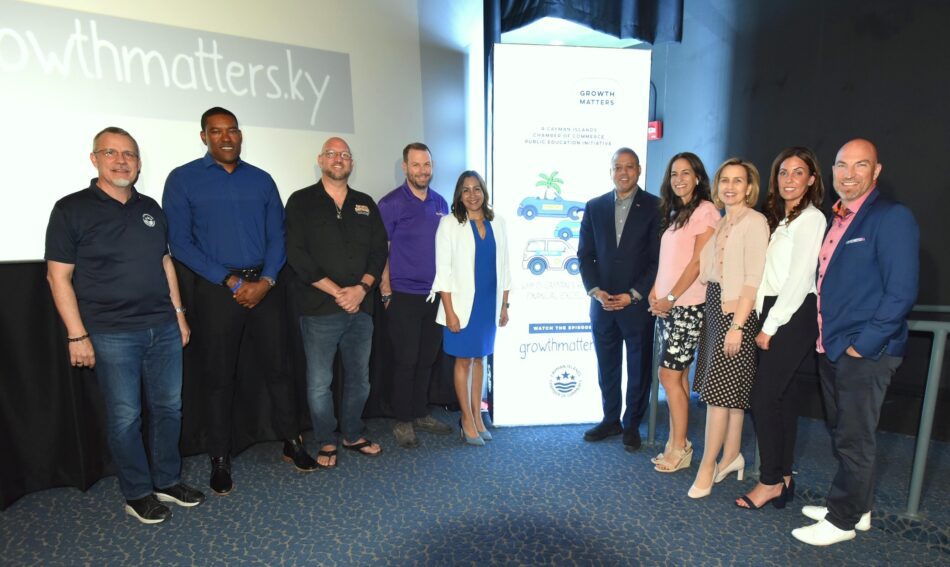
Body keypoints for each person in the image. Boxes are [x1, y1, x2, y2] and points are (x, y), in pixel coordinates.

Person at [45, 127, 205, 524]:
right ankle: (137, 493)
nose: (122, 161)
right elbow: (58, 277)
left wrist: (179, 315)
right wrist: (77, 335)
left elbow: (164, 263)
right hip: (111, 333)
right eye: (111, 153)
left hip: (163, 327)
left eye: (129, 154)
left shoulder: (151, 208)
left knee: (169, 408)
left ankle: (167, 481)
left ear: (138, 162)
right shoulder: (70, 209)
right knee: (126, 417)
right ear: (94, 159)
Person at [163, 107, 315, 495]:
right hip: (217, 290)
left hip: (266, 286)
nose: (226, 137)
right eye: (216, 131)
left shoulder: (261, 180)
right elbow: (180, 243)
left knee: (280, 369)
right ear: (204, 137)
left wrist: (266, 280)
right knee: (218, 377)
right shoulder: (182, 179)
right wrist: (230, 280)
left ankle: (292, 441)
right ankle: (219, 456)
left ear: (240, 135)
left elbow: (278, 237)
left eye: (232, 130)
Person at [792, 139, 918, 546]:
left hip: (865, 351)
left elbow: (901, 292)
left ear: (876, 171)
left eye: (860, 165)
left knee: (854, 437)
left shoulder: (891, 217)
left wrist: (863, 345)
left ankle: (842, 520)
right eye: (841, 165)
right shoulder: (839, 218)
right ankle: (857, 507)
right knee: (844, 432)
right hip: (831, 346)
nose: (848, 174)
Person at [285, 137, 388, 467]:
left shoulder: (365, 203)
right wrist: (338, 292)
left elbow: (379, 252)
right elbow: (296, 255)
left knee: (360, 379)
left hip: (361, 307)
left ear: (351, 163)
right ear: (320, 160)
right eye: (331, 154)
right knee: (320, 384)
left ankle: (352, 433)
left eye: (344, 154)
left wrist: (361, 289)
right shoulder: (301, 201)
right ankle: (326, 440)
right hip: (319, 310)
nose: (338, 159)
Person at [736, 147, 825, 509]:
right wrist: (761, 314)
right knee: (783, 398)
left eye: (798, 172)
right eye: (783, 172)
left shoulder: (812, 219)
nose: (789, 179)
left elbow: (800, 278)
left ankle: (769, 480)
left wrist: (770, 325)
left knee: (763, 397)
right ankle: (784, 475)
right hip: (775, 309)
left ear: (812, 179)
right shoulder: (782, 219)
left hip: (792, 312)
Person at [688, 158, 769, 498]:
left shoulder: (755, 221)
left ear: (750, 187)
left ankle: (707, 465)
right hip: (716, 306)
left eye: (738, 181)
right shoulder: (723, 221)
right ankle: (732, 455)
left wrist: (737, 325)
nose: (730, 187)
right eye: (725, 180)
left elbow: (753, 278)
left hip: (736, 313)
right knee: (730, 392)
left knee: (718, 395)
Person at [578, 148, 660, 451]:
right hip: (602, 304)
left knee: (638, 368)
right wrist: (595, 291)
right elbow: (585, 255)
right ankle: (610, 419)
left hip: (636, 305)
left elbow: (657, 260)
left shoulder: (655, 207)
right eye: (618, 167)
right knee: (607, 366)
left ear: (638, 170)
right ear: (610, 171)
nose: (623, 172)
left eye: (629, 167)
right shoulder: (594, 206)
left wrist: (633, 294)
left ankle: (632, 424)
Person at [378, 143, 454, 448]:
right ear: (405, 167)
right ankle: (403, 420)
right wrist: (386, 290)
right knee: (406, 360)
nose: (422, 171)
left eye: (427, 165)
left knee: (427, 359)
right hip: (403, 295)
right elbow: (381, 250)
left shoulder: (441, 202)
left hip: (435, 295)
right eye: (416, 165)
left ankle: (421, 412)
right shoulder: (391, 203)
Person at [647, 152, 719, 472]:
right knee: (678, 375)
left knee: (668, 375)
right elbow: (668, 262)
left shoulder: (706, 211)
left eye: (686, 173)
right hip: (668, 307)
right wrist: (655, 291)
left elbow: (697, 263)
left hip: (688, 307)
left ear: (698, 177)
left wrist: (672, 296)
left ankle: (679, 446)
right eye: (674, 174)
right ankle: (679, 442)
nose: (679, 179)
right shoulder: (677, 213)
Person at [432, 171, 511, 446]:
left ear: (484, 192)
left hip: (488, 303)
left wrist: (504, 305)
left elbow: (505, 267)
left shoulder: (498, 222)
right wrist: (449, 312)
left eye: (477, 189)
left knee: (481, 359)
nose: (472, 195)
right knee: (464, 360)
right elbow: (443, 272)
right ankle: (466, 420)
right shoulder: (449, 224)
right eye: (466, 190)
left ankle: (478, 416)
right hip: (461, 305)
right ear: (459, 194)